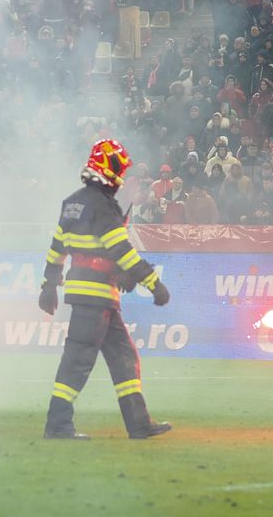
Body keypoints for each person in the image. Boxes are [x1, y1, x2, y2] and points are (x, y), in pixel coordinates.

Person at [39, 139, 172, 440]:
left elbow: (57, 248)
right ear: (111, 169)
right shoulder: (103, 205)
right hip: (95, 295)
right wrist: (154, 284)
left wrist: (49, 284)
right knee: (78, 359)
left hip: (96, 296)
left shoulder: (73, 202)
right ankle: (57, 424)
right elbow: (121, 250)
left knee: (125, 357)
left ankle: (138, 424)